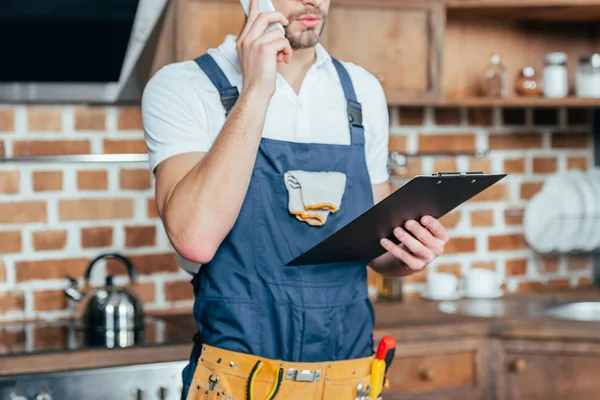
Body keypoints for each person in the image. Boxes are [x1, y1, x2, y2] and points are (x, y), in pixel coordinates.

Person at [142, 0, 450, 398]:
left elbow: (377, 247)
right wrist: (256, 89)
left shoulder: (361, 91)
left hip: (347, 378)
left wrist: (409, 253)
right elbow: (194, 238)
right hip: (237, 382)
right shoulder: (183, 86)